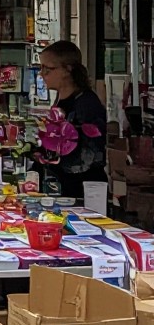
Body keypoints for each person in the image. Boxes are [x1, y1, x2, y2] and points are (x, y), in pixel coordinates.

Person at [36, 40, 108, 203]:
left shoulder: (86, 103)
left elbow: (88, 155)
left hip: (83, 189)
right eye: (41, 68)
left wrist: (53, 156)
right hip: (62, 186)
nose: (42, 74)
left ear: (67, 70)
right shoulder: (61, 97)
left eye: (47, 69)